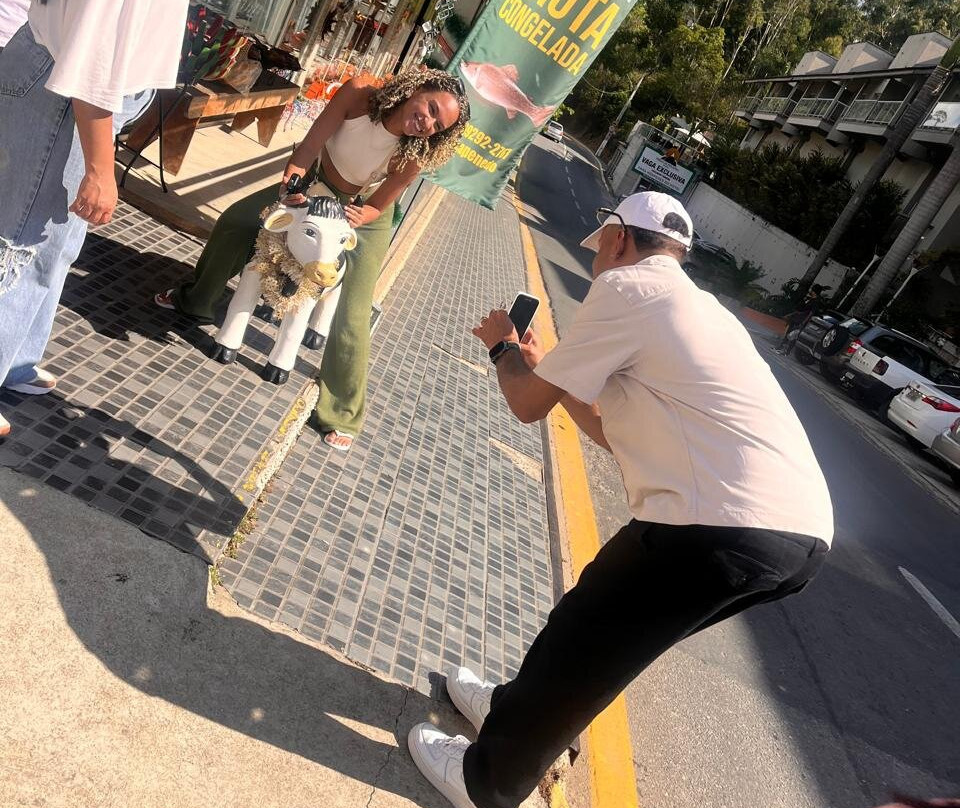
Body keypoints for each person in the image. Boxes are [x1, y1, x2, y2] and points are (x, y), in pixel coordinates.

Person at [406, 192, 835, 808]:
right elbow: (614, 433)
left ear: (618, 240)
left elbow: (526, 407)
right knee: (593, 638)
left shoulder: (629, 289)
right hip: (792, 538)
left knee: (584, 641)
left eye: (600, 251)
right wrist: (542, 364)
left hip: (717, 526)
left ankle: (488, 782)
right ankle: (508, 713)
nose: (596, 266)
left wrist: (503, 348)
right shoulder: (699, 307)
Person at [154, 68, 470, 452]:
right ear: (417, 88)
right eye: (431, 107)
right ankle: (197, 300)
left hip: (365, 212)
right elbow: (306, 149)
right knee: (237, 221)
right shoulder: (358, 94)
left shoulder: (416, 153)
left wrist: (361, 216)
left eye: (438, 124)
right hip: (314, 182)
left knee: (354, 310)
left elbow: (380, 203)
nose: (428, 123)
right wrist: (291, 184)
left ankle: (342, 411)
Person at [0, 0, 188, 439]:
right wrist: (101, 169)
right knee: (22, 237)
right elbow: (91, 57)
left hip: (72, 81)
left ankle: (17, 356)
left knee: (57, 241)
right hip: (65, 86)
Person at [775, 283, 826, 356]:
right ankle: (781, 347)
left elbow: (811, 313)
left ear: (814, 291)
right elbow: (801, 308)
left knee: (794, 335)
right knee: (789, 333)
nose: (810, 291)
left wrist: (804, 322)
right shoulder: (810, 299)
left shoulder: (816, 302)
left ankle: (786, 351)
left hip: (801, 320)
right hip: (796, 318)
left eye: (812, 290)